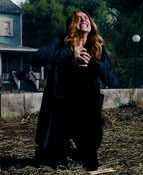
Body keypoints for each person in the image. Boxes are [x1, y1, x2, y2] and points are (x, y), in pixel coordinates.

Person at [31, 10, 119, 171]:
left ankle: (77, 151)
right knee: (57, 163)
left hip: (88, 107)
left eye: (86, 18)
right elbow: (36, 58)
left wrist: (94, 63)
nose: (83, 20)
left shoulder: (97, 46)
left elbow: (111, 80)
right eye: (78, 18)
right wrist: (70, 53)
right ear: (72, 24)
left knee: (91, 160)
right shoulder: (61, 41)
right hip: (63, 105)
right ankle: (51, 152)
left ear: (91, 24)